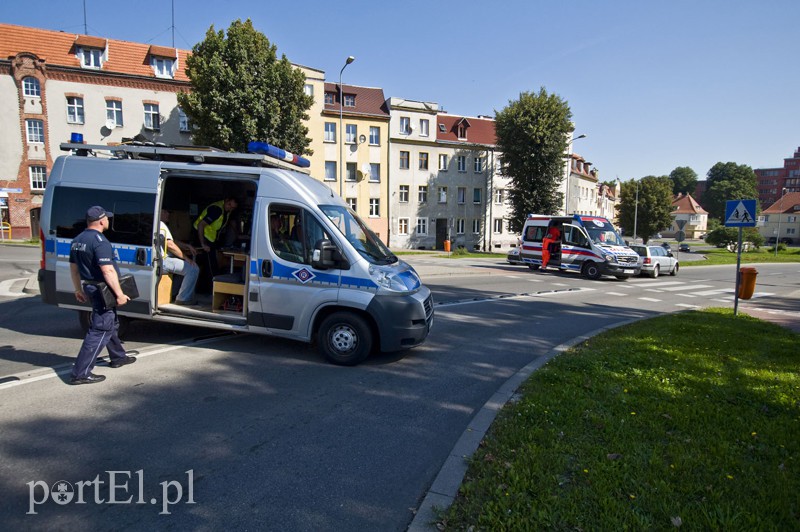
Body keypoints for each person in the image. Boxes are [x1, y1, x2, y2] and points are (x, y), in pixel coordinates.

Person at [68, 206, 137, 385]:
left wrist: (78, 289)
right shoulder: (99, 241)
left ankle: (118, 357)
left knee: (111, 323)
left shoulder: (78, 239)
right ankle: (80, 373)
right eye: (107, 218)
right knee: (100, 329)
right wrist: (120, 294)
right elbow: (107, 270)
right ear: (100, 220)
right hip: (102, 289)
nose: (108, 220)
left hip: (90, 287)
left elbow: (74, 269)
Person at [160, 209, 200, 305]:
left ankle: (173, 294)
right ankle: (183, 299)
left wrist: (187, 246)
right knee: (193, 268)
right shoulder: (161, 225)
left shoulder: (160, 224)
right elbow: (170, 245)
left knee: (182, 269)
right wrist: (186, 258)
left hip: (161, 259)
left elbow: (173, 241)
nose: (168, 214)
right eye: (165, 212)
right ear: (159, 212)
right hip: (162, 260)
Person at [194, 197, 238, 275]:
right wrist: (203, 243)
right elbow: (201, 225)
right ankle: (212, 285)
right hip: (202, 237)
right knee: (211, 267)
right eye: (229, 205)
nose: (230, 208)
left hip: (210, 239)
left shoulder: (226, 210)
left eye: (232, 208)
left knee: (210, 265)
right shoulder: (217, 210)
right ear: (226, 200)